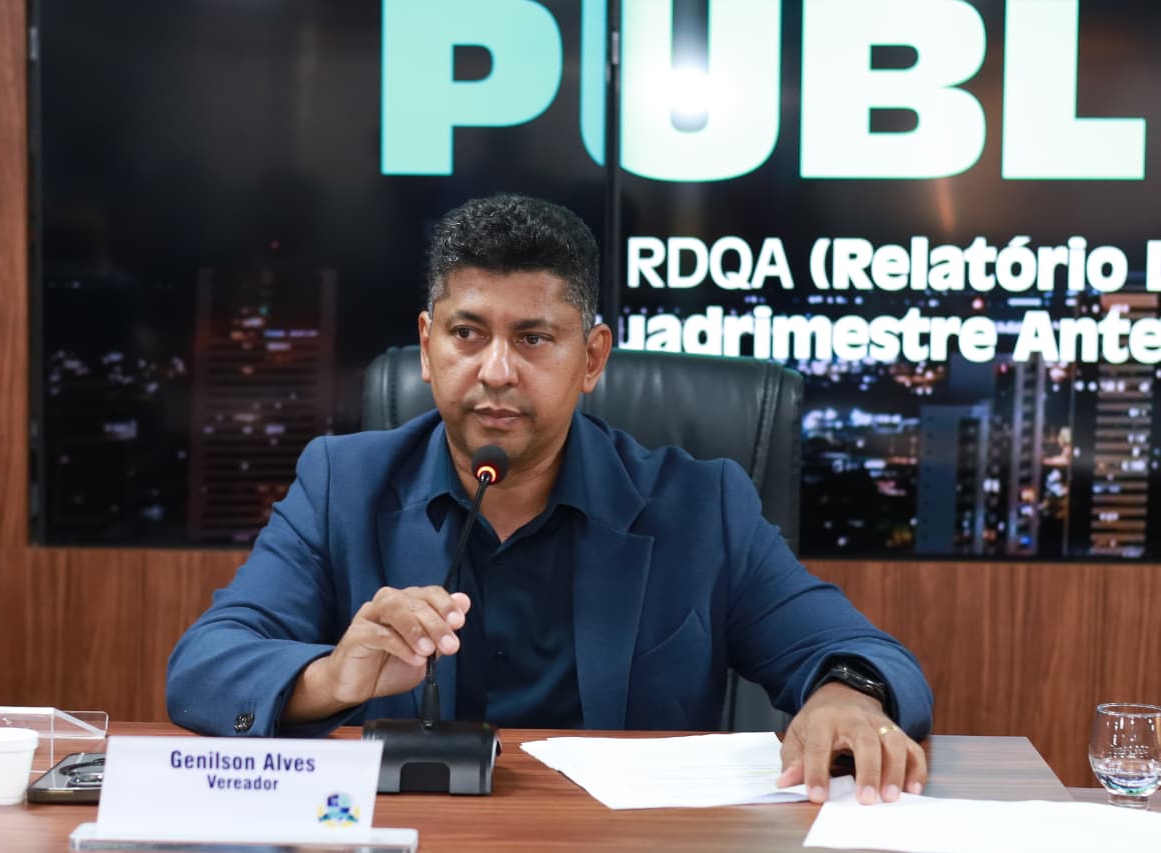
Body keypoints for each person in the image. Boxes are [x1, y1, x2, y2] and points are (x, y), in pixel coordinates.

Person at [166, 193, 934, 805]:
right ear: (428, 347)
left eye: (533, 338)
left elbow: (870, 656)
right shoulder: (344, 483)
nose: (496, 370)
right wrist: (336, 675)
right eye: (468, 334)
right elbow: (204, 667)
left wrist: (850, 696)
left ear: (591, 358)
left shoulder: (703, 505)